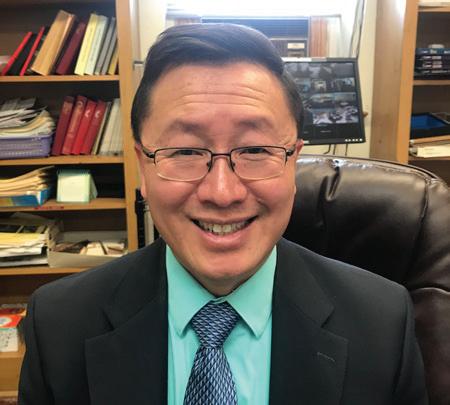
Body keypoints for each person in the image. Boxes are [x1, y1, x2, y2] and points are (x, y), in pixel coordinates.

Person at [18, 24, 428, 405]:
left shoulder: (382, 323)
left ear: (292, 162)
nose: (222, 192)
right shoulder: (59, 325)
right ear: (143, 167)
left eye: (255, 150)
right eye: (184, 151)